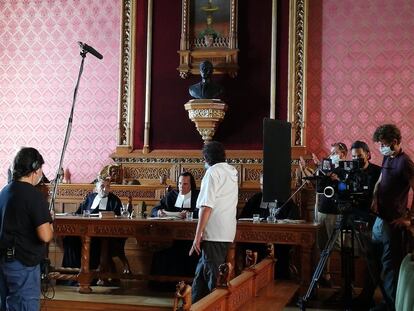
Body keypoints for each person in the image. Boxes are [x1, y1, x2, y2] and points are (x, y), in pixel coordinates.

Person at [0, 147, 53, 311]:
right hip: (23, 264)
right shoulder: (34, 196)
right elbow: (45, 236)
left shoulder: (5, 191)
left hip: (4, 261)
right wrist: (50, 222)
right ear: (35, 169)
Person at [368, 124, 414, 311]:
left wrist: (409, 219)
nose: (382, 147)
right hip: (379, 219)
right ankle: (383, 301)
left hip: (393, 222)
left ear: (395, 142)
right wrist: (374, 197)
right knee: (374, 262)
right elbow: (380, 180)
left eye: (384, 144)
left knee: (390, 268)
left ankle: (392, 305)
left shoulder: (405, 162)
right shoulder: (388, 158)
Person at [189, 141, 238, 303]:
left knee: (213, 277)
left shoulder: (212, 173)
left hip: (214, 233)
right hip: (227, 230)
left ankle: (218, 305)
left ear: (206, 157)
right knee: (201, 273)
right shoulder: (232, 171)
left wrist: (197, 235)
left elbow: (206, 206)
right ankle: (195, 304)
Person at [62, 177, 131, 276]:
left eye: (107, 186)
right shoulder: (90, 198)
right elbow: (79, 213)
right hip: (86, 231)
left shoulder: (114, 200)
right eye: (102, 186)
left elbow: (119, 219)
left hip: (104, 235)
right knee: (70, 239)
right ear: (96, 188)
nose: (105, 189)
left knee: (95, 242)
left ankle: (92, 276)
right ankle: (72, 274)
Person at [238, 173, 300, 279]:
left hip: (279, 240)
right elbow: (243, 217)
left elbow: (294, 219)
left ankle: (279, 280)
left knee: (279, 251)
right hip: (256, 238)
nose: (263, 188)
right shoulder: (256, 199)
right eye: (262, 185)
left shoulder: (285, 200)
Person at [149, 172, 200, 288]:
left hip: (190, 237)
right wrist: (159, 212)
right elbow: (155, 210)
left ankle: (188, 285)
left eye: (185, 184)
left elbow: (201, 211)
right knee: (161, 250)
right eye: (180, 183)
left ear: (191, 185)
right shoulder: (172, 195)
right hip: (170, 236)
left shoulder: (197, 195)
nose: (182, 187)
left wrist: (189, 214)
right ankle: (164, 285)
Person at [315, 142, 348, 287]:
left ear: (343, 154)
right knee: (323, 245)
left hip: (336, 212)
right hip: (322, 210)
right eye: (331, 153)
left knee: (337, 244)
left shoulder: (346, 169)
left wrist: (338, 180)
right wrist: (320, 171)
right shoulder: (326, 168)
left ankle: (346, 280)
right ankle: (324, 276)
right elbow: (318, 188)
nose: (332, 155)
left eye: (334, 153)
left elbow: (345, 188)